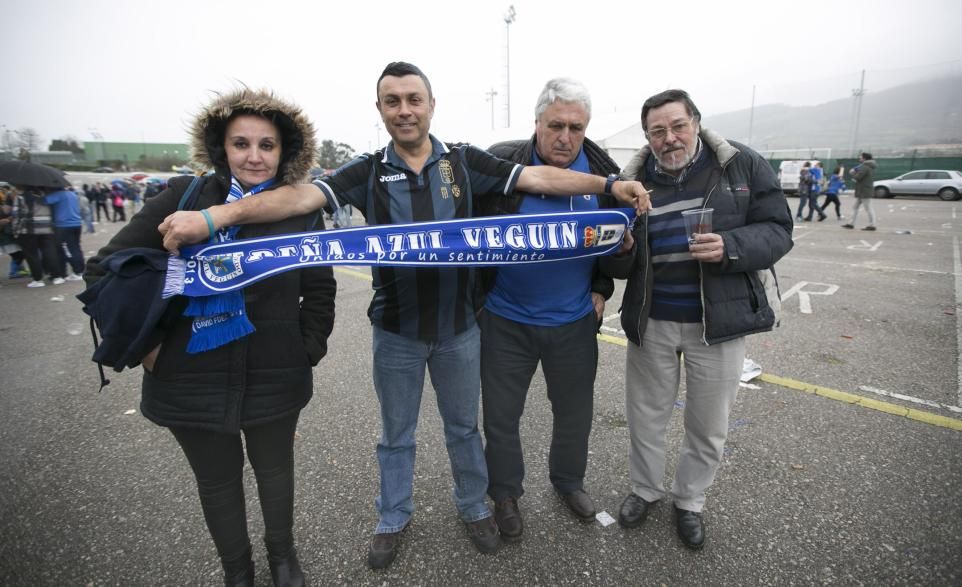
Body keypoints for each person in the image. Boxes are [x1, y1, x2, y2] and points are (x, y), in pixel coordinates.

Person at [159, 61, 651, 570]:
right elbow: (299, 196)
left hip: (460, 329)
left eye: (414, 99)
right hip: (396, 331)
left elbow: (539, 176)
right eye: (392, 101)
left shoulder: (462, 162)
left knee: (464, 429)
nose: (405, 110)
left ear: (431, 106)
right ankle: (392, 516)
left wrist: (611, 186)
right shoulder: (368, 169)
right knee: (396, 436)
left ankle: (472, 506)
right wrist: (216, 216)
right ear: (381, 110)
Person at [85, 88, 335, 586]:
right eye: (241, 143)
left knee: (275, 472)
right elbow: (102, 270)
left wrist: (306, 346)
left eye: (267, 145)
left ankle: (283, 558)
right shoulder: (182, 196)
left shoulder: (299, 210)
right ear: (222, 147)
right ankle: (237, 572)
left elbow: (320, 287)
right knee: (218, 484)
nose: (254, 156)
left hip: (275, 369)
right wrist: (153, 345)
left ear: (284, 152)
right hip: (188, 375)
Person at [614, 89, 793, 550]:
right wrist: (621, 250)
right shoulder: (630, 181)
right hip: (652, 320)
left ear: (695, 121)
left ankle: (690, 501)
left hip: (718, 322)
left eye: (677, 126)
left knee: (708, 424)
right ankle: (645, 490)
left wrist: (730, 247)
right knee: (646, 417)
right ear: (647, 136)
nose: (669, 138)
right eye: (657, 131)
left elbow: (777, 229)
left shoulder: (740, 164)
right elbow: (615, 262)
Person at [474, 78, 632, 541]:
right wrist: (479, 302)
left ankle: (568, 483)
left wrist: (606, 278)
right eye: (556, 125)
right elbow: (466, 231)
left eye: (576, 128)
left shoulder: (606, 174)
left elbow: (619, 256)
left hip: (573, 324)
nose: (565, 137)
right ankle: (504, 494)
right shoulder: (501, 162)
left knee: (574, 414)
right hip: (505, 320)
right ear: (537, 123)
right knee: (501, 417)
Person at [10, 186, 62, 287]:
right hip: (47, 228)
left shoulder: (21, 197)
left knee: (32, 255)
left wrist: (15, 230)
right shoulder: (46, 196)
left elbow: (17, 215)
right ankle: (56, 276)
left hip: (29, 230)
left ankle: (38, 279)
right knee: (50, 252)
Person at [42, 185, 86, 281]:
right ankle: (80, 270)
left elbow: (44, 201)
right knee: (76, 247)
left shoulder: (57, 195)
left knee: (66, 248)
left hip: (64, 225)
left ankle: (77, 271)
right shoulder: (72, 194)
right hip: (77, 224)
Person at [842, 152, 877, 231]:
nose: (859, 158)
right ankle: (851, 224)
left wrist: (852, 173)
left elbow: (858, 177)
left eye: (861, 157)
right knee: (855, 207)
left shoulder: (865, 166)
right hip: (863, 190)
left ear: (864, 158)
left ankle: (872, 225)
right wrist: (856, 171)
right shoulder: (867, 166)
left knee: (868, 208)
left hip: (864, 191)